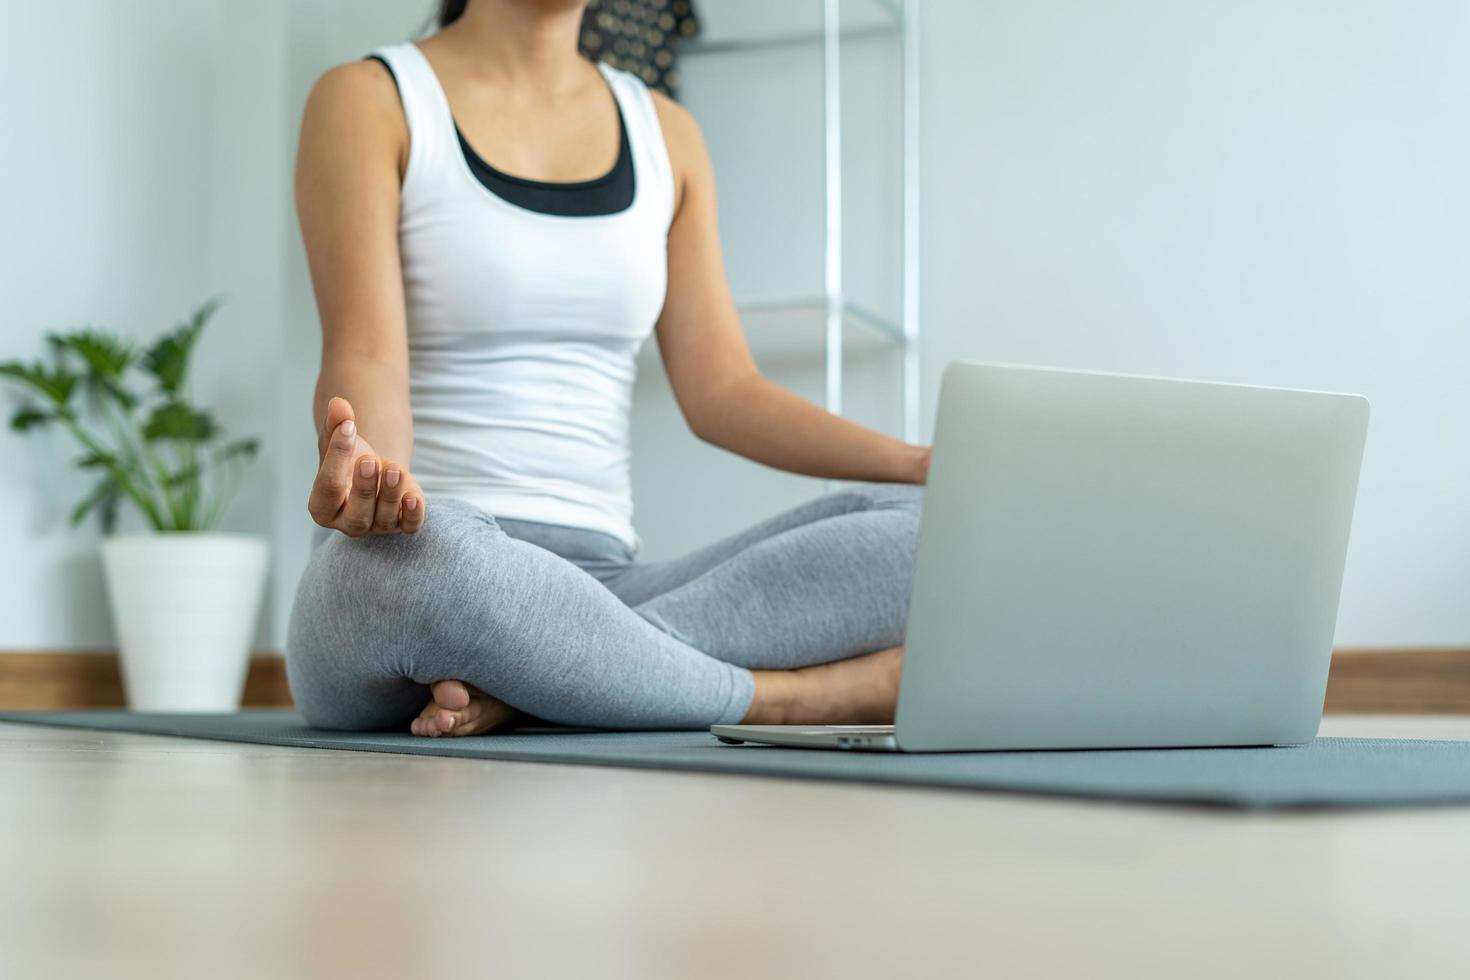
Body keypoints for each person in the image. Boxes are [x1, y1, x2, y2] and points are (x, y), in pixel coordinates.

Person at [285, 0, 930, 737]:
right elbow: (367, 353)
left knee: (927, 533)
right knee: (421, 566)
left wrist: (918, 465)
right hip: (422, 561)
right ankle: (789, 699)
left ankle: (549, 683)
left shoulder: (666, 132)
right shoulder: (370, 98)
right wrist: (376, 480)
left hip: (609, 586)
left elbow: (724, 390)